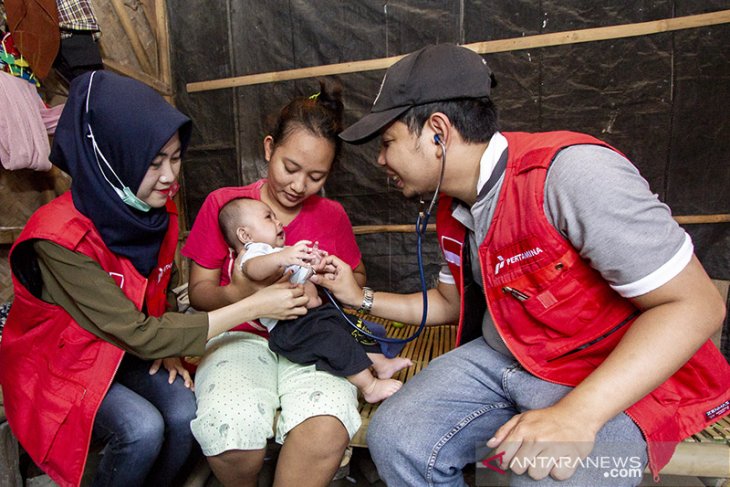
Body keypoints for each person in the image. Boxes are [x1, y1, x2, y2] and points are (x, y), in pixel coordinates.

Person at [312, 44, 730, 486]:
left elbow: (697, 307)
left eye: (387, 142)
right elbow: (450, 303)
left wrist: (577, 415)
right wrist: (360, 297)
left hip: (611, 375)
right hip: (506, 357)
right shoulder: (453, 205)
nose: (380, 160)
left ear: (438, 132)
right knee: (397, 437)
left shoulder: (572, 174)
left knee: (548, 477)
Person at [0, 71, 308, 487]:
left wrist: (168, 345)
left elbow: (156, 294)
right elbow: (137, 330)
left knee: (184, 412)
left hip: (123, 349)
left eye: (176, 158)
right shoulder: (59, 240)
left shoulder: (154, 212)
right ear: (111, 158)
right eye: (153, 162)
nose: (169, 177)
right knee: (140, 429)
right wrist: (254, 304)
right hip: (61, 363)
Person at [182, 81, 367, 487]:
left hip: (312, 335)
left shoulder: (331, 215)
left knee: (326, 426)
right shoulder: (226, 207)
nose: (299, 186)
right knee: (228, 426)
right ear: (269, 149)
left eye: (316, 176)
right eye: (290, 167)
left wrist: (330, 277)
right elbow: (199, 294)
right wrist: (248, 296)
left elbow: (357, 278)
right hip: (242, 336)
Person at [219, 197, 412, 403]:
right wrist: (283, 257)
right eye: (269, 218)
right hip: (292, 327)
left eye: (276, 218)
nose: (279, 223)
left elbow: (302, 275)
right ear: (245, 234)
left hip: (316, 316)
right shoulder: (254, 253)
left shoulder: (279, 253)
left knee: (354, 326)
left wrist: (315, 266)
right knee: (336, 342)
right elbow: (254, 270)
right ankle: (369, 386)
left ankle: (381, 364)